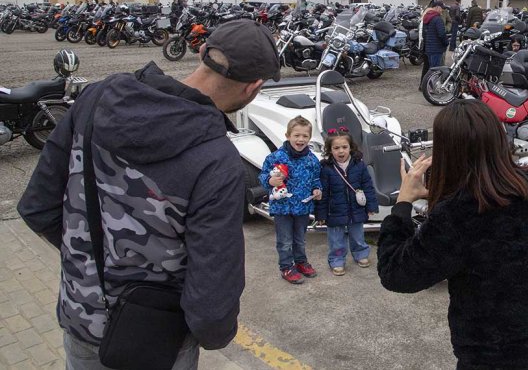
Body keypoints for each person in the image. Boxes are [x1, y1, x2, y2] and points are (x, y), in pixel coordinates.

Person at [17, 19, 281, 368]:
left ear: (202, 51)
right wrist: (212, 333)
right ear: (254, 87)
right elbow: (212, 299)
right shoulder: (217, 161)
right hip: (157, 341)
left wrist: (91, 269)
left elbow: (37, 206)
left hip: (80, 320)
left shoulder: (97, 97)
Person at [378, 100, 528, 369]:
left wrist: (403, 203)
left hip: (493, 359)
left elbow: (396, 273)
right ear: (499, 138)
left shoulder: (458, 213)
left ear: (447, 151)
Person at [259, 116, 323, 284]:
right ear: (288, 135)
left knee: (300, 239)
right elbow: (263, 175)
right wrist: (270, 181)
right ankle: (286, 266)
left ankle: (301, 262)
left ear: (309, 138)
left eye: (304, 136)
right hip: (282, 208)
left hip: (302, 207)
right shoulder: (275, 157)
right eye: (296, 135)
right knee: (285, 240)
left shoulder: (312, 160)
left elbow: (316, 179)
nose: (300, 139)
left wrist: (317, 190)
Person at [315, 129, 378, 276]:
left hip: (356, 208)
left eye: (344, 147)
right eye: (336, 148)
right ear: (330, 150)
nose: (341, 151)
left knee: (358, 235)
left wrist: (371, 206)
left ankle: (361, 254)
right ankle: (337, 260)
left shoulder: (359, 165)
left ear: (351, 147)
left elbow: (368, 186)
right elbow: (322, 193)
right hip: (334, 210)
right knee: (336, 239)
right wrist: (321, 214)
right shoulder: (326, 168)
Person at [420, 0, 449, 90]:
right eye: (441, 9)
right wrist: (446, 43)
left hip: (429, 48)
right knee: (435, 70)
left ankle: (425, 86)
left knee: (430, 69)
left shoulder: (426, 17)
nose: (442, 11)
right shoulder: (437, 19)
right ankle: (431, 89)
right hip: (436, 48)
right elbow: (441, 34)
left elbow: (424, 34)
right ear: (437, 7)